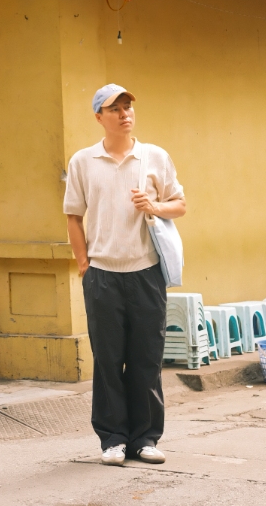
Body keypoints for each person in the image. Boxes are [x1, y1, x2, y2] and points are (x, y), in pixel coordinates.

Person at [63, 83, 186, 466]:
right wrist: (84, 264)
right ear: (99, 117)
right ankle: (113, 439)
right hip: (102, 275)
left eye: (128, 106)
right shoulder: (83, 161)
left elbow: (180, 204)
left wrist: (155, 206)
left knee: (147, 358)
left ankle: (145, 438)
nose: (124, 114)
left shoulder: (155, 157)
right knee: (108, 360)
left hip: (146, 273)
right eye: (114, 108)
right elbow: (73, 216)